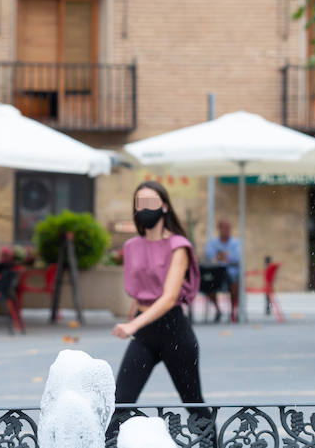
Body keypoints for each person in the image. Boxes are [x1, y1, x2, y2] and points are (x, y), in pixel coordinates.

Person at [110, 181, 204, 440]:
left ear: (164, 207)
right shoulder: (131, 247)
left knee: (194, 403)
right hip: (143, 332)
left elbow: (169, 296)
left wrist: (133, 325)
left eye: (151, 203)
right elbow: (141, 288)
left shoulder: (178, 245)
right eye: (139, 203)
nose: (145, 209)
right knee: (120, 403)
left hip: (174, 330)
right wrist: (134, 319)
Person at [203, 219, 242, 322]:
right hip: (217, 273)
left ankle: (233, 312)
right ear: (219, 229)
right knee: (207, 283)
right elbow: (209, 256)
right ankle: (218, 309)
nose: (226, 230)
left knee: (235, 284)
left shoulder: (236, 243)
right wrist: (224, 257)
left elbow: (237, 258)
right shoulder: (212, 242)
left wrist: (222, 257)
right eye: (224, 228)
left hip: (231, 273)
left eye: (228, 228)